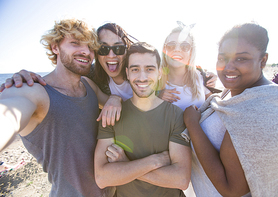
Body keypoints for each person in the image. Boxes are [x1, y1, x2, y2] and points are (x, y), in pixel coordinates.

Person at [0, 18, 122, 197]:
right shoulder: (34, 92)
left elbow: (114, 100)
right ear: (55, 47)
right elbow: (8, 113)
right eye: (75, 43)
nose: (86, 51)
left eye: (90, 47)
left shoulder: (88, 85)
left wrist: (115, 98)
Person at [184, 23, 278, 196]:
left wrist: (193, 125)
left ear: (263, 60)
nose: (228, 67)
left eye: (241, 58)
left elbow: (233, 189)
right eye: (222, 58)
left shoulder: (258, 108)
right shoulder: (240, 93)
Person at [0, 23, 218, 98]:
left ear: (127, 50)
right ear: (96, 52)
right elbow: (62, 77)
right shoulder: (93, 75)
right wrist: (26, 77)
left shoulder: (144, 69)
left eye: (118, 48)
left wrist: (203, 73)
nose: (111, 55)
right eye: (103, 49)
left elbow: (177, 67)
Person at [94, 42, 191, 197]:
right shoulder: (112, 115)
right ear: (127, 73)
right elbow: (102, 177)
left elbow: (181, 179)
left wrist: (125, 165)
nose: (142, 77)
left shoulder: (175, 115)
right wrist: (155, 161)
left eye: (149, 69)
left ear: (160, 72)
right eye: (135, 69)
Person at [158, 23, 214, 110]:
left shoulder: (200, 77)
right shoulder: (154, 79)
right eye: (171, 46)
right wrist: (155, 97)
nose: (177, 49)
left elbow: (216, 104)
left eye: (184, 46)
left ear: (191, 52)